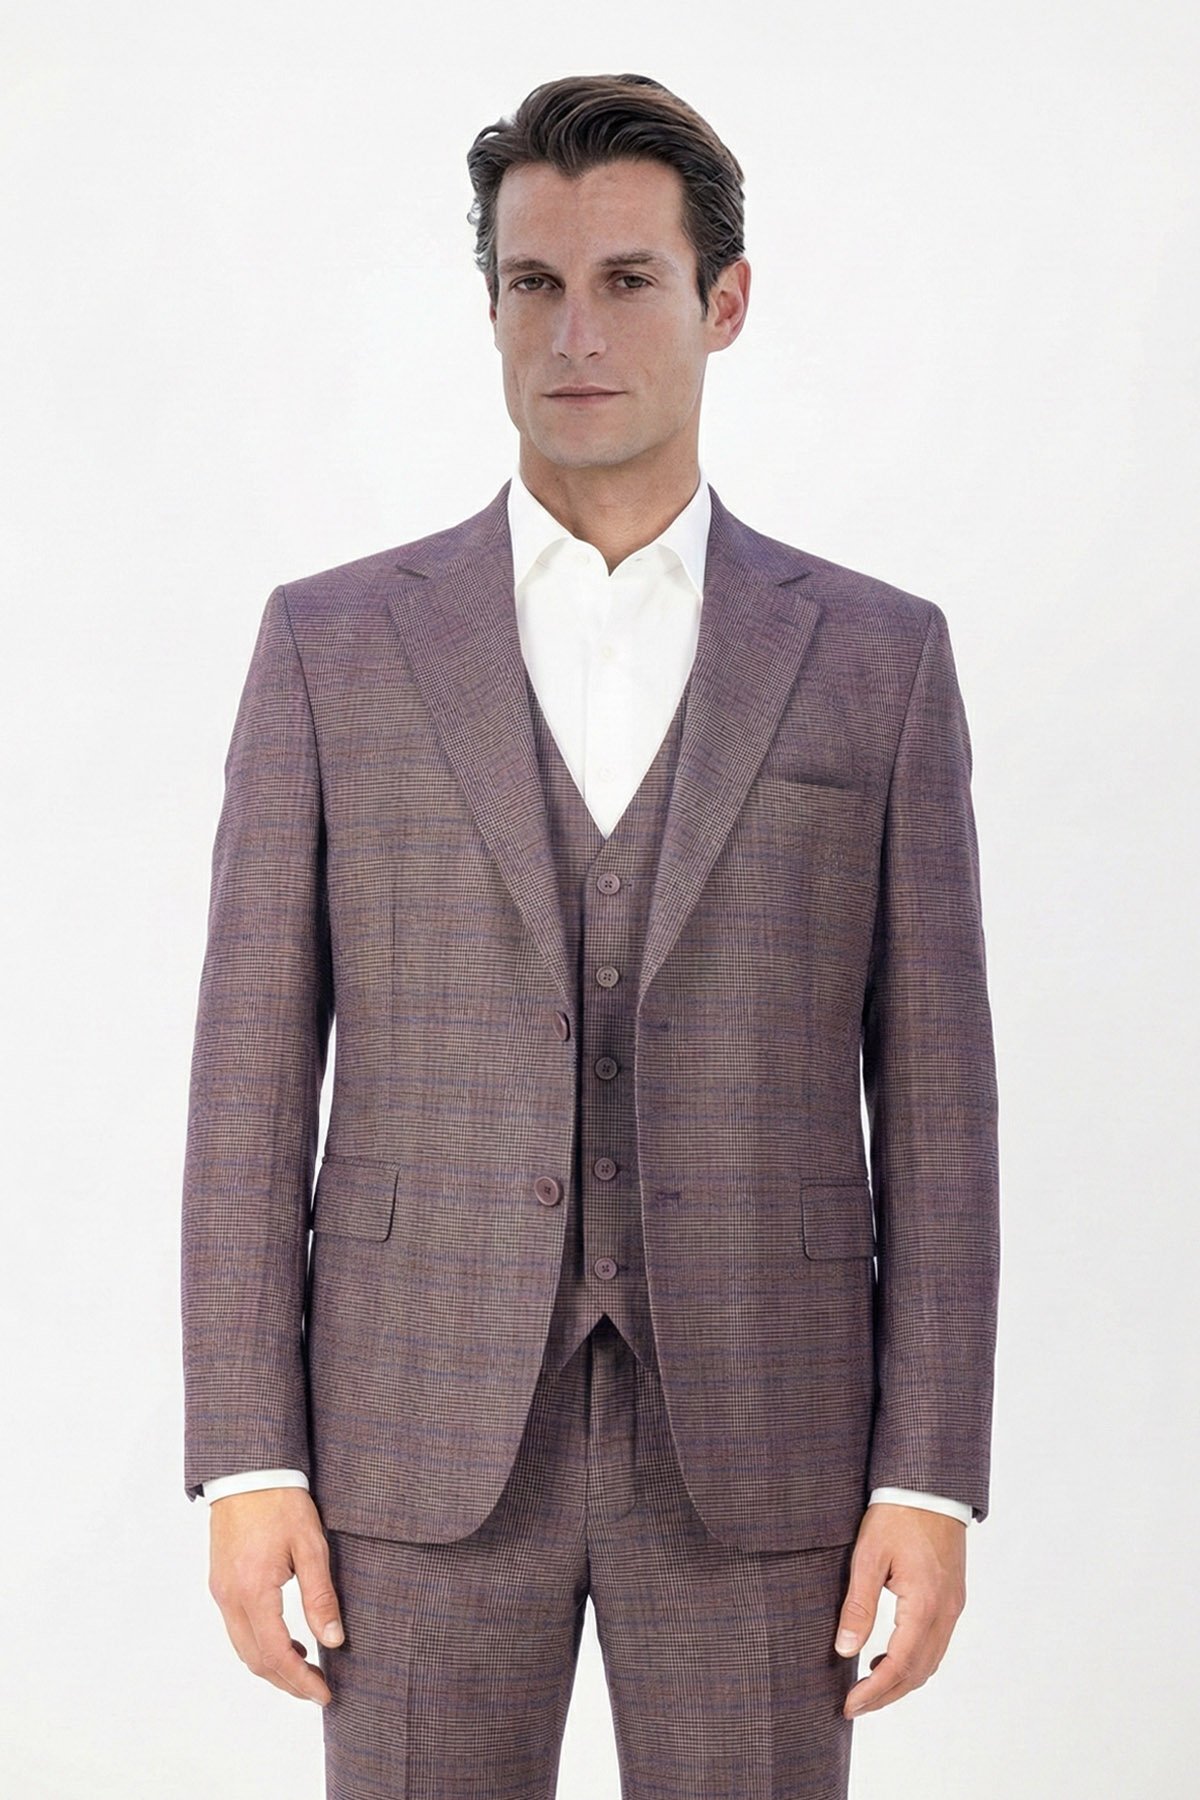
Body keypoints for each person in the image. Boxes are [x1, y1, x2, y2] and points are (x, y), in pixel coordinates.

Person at [181, 71, 1000, 1799]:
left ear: (725, 302)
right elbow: (248, 1071)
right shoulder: (334, 647)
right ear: (489, 306)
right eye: (532, 283)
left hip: (770, 1436)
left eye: (627, 280)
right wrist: (250, 1454)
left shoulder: (877, 659)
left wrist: (926, 1474)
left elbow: (939, 1098)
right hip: (410, 1430)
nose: (574, 331)